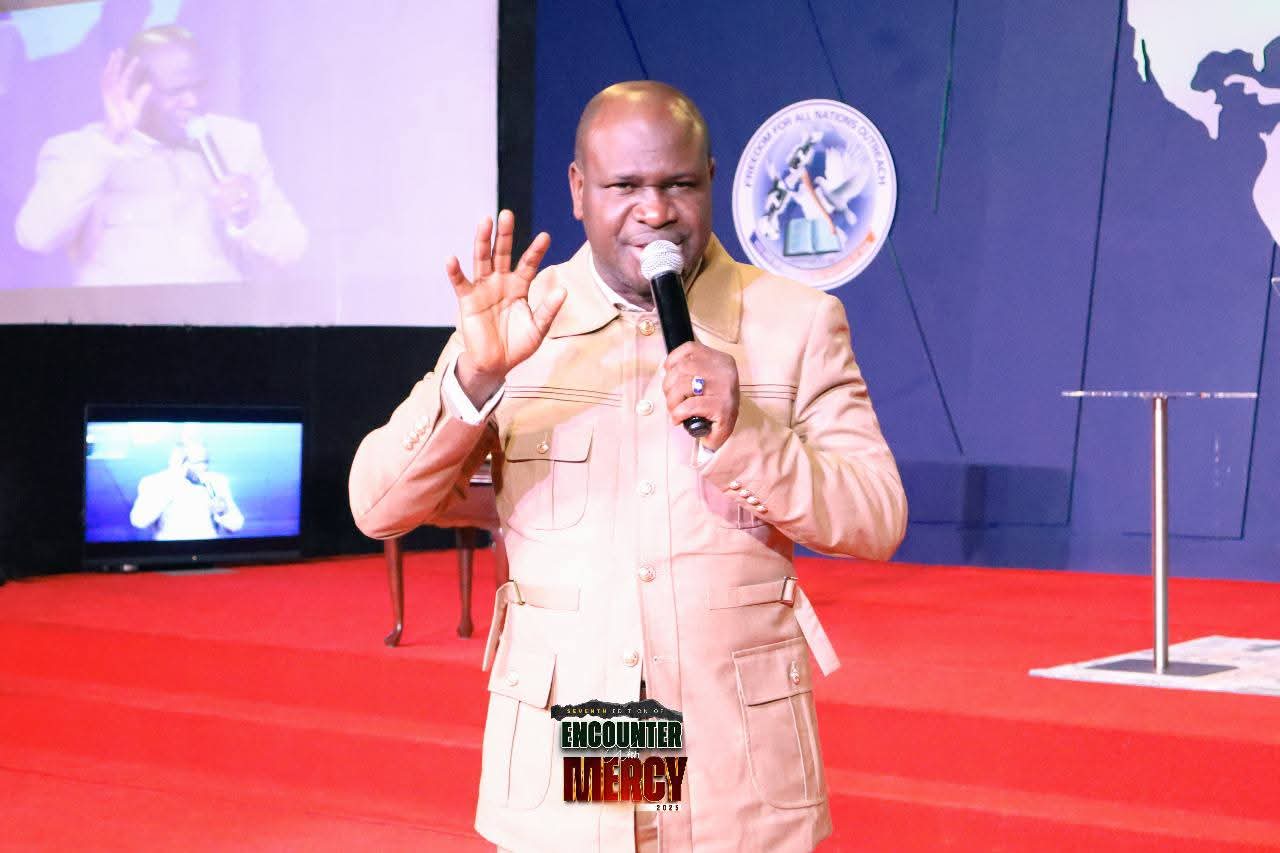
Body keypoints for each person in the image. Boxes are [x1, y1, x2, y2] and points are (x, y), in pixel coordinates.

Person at [348, 81, 907, 852]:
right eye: (625, 186)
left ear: (711, 179)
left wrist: (745, 432)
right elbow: (377, 506)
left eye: (679, 184)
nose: (655, 211)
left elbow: (877, 515)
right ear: (579, 189)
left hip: (733, 762)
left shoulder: (797, 321)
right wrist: (475, 380)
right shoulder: (520, 322)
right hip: (579, 732)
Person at [14, 25, 306, 286]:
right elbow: (37, 236)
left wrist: (247, 217)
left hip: (218, 317)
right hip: (122, 321)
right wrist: (109, 143)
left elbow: (293, 249)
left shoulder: (236, 140)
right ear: (133, 90)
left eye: (199, 86)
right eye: (176, 91)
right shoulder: (80, 150)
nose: (193, 101)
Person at [130, 441, 244, 540]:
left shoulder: (216, 481)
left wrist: (223, 512)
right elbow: (139, 521)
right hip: (168, 552)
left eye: (206, 461)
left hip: (207, 551)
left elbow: (236, 526)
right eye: (197, 462)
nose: (203, 467)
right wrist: (172, 484)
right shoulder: (154, 482)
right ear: (179, 462)